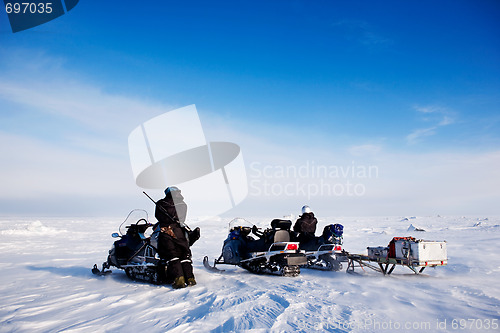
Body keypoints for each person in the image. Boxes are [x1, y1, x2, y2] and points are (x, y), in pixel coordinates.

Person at [155, 186, 196, 289]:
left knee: (172, 254)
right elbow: (182, 218)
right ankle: (190, 278)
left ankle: (179, 280)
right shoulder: (183, 204)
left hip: (166, 231)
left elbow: (158, 216)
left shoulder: (161, 203)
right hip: (180, 231)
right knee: (184, 254)